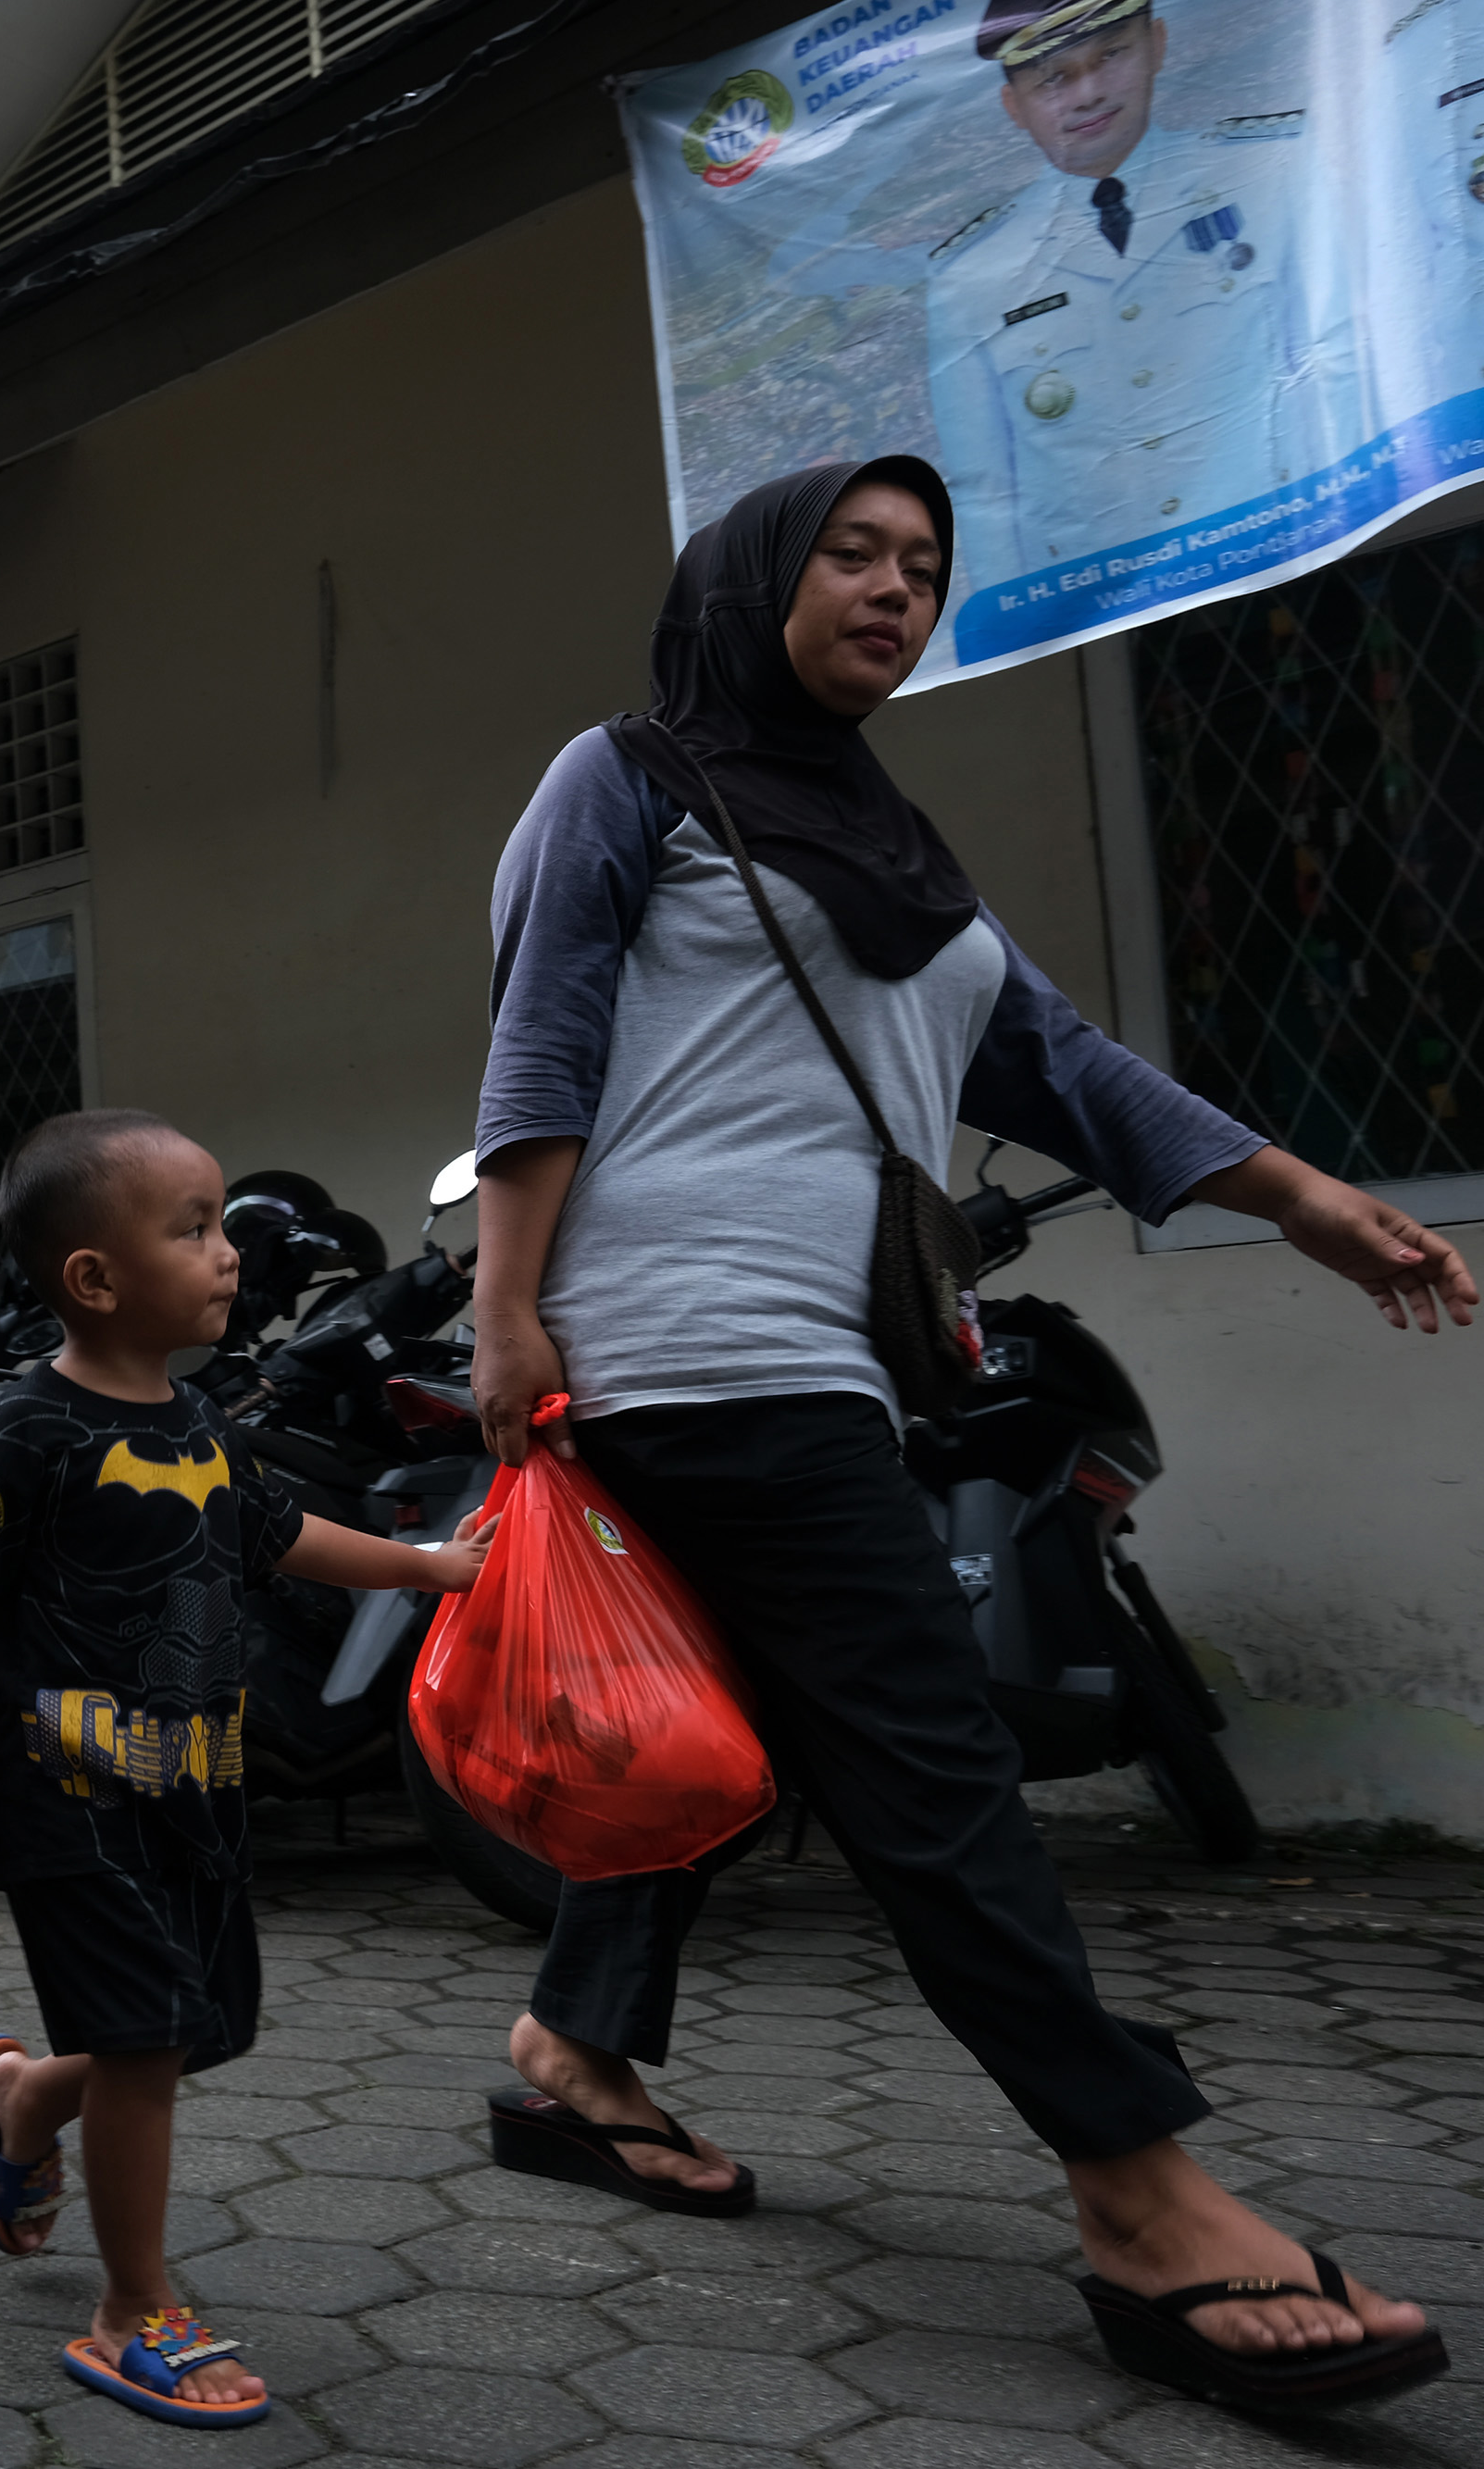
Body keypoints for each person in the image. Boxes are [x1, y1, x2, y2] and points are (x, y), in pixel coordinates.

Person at [471, 455, 1464, 2413]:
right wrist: (506, 1307)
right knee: (925, 1756)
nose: (891, 590)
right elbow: (541, 1037)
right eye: (850, 553)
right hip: (689, 1342)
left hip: (831, 1353)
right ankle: (1135, 2182)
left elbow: (1065, 1064)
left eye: (922, 569)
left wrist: (1304, 1199)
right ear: (753, 572)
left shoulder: (889, 846)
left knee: (728, 1713)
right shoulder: (626, 776)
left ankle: (574, 2055)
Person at [0, 1110, 491, 2430]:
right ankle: (133, 2307)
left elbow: (278, 1528)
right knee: (144, 2034)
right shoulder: (28, 1428)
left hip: (197, 1776)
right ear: (93, 1275)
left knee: (201, 2026)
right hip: (64, 1785)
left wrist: (423, 1566)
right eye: (193, 1227)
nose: (229, 1251)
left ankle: (23, 2091)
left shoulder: (194, 1415)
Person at [923, 1, 1353, 596]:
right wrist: (1018, 635)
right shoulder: (971, 280)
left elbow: (1339, 365)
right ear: (1013, 106)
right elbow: (987, 492)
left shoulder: (1270, 170)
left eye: (1111, 55)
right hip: (1105, 620)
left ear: (1157, 43)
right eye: (1054, 78)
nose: (1088, 93)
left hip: (1285, 564)